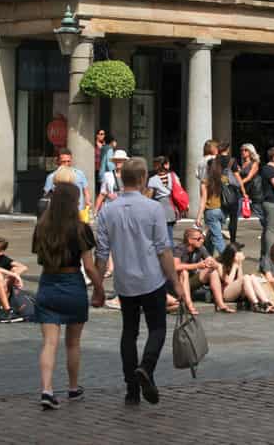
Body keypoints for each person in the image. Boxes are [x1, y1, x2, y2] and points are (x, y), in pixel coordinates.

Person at [95, 157, 182, 406]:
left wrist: (99, 287)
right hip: (151, 279)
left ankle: (132, 390)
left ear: (123, 178)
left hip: (125, 282)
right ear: (144, 178)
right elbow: (163, 250)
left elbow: (101, 253)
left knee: (129, 333)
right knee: (157, 328)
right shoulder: (153, 208)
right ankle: (146, 367)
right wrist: (175, 282)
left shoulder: (107, 210)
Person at [32, 183, 104, 410]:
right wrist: (99, 289)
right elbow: (90, 267)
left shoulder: (41, 227)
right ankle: (73, 388)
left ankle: (46, 389)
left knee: (49, 343)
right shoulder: (81, 229)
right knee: (73, 343)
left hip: (48, 283)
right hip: (73, 284)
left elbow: (38, 256)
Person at [173, 227, 230, 315]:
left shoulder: (200, 248)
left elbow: (212, 261)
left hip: (191, 281)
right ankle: (189, 305)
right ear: (189, 240)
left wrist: (213, 264)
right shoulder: (179, 249)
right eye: (198, 239)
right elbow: (175, 266)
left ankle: (220, 304)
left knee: (212, 271)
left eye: (202, 238)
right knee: (184, 272)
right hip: (177, 283)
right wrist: (197, 265)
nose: (202, 240)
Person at [217, 242, 274, 313]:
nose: (241, 253)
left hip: (237, 293)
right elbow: (228, 282)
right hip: (225, 293)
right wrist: (235, 265)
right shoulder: (221, 265)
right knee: (246, 277)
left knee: (251, 277)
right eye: (239, 251)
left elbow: (240, 279)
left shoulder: (237, 263)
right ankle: (255, 304)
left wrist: (239, 264)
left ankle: (265, 302)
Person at [43, 148, 92, 215]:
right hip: (60, 214)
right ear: (58, 161)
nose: (66, 164)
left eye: (68, 161)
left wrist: (88, 204)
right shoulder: (52, 177)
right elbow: (46, 197)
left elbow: (86, 191)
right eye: (63, 161)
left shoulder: (79, 174)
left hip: (78, 212)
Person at [196, 155, 228, 256]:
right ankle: (208, 257)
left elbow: (203, 201)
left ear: (208, 168)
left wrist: (198, 217)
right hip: (222, 211)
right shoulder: (224, 179)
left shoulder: (205, 182)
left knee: (217, 238)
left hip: (211, 212)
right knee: (211, 236)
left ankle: (227, 260)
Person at [147, 156, 181, 248]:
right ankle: (171, 253)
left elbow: (149, 196)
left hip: (160, 206)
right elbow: (178, 190)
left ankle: (170, 255)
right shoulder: (173, 176)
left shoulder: (153, 179)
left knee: (163, 234)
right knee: (169, 232)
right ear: (166, 165)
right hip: (172, 206)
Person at [236, 143, 263, 223]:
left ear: (251, 152)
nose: (243, 152)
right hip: (244, 189)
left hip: (254, 188)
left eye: (246, 150)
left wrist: (239, 183)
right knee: (237, 209)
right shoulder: (242, 163)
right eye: (242, 150)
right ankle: (232, 231)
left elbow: (249, 177)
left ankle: (267, 229)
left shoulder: (255, 163)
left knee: (257, 209)